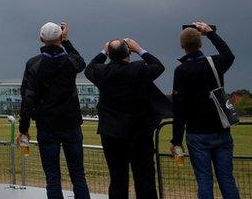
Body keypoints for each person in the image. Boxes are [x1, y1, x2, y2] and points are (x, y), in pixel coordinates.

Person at [85, 38, 166, 199]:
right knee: (144, 179)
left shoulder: (102, 72)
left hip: (112, 135)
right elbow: (159, 67)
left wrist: (103, 51)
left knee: (117, 179)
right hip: (139, 134)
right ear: (128, 53)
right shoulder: (138, 69)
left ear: (110, 55)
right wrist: (140, 49)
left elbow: (89, 69)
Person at [18, 22, 91, 199]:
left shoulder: (34, 64)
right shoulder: (71, 62)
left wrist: (23, 128)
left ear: (41, 39)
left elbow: (27, 98)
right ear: (60, 37)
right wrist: (66, 41)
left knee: (52, 178)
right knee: (78, 175)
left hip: (47, 125)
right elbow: (80, 61)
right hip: (71, 123)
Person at [171, 21, 239, 199]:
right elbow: (228, 55)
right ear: (200, 43)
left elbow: (179, 108)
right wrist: (210, 33)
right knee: (227, 179)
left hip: (197, 132)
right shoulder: (214, 63)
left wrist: (176, 140)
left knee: (204, 180)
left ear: (182, 46)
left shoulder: (182, 70)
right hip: (221, 128)